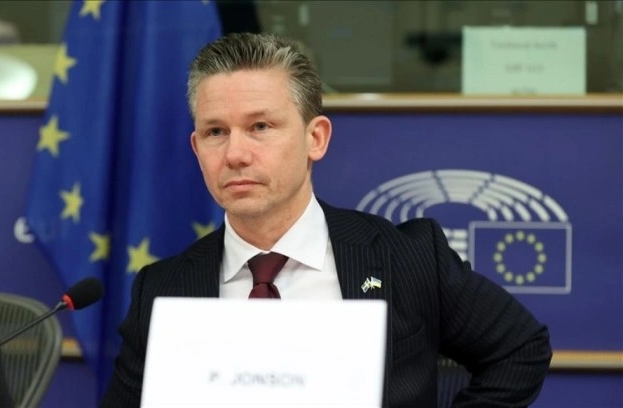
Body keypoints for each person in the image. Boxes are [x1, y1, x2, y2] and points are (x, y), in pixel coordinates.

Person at [101, 32, 551, 407]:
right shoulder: (161, 289)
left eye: (260, 127)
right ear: (197, 148)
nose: (235, 154)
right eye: (216, 131)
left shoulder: (407, 258)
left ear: (315, 138)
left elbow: (520, 348)